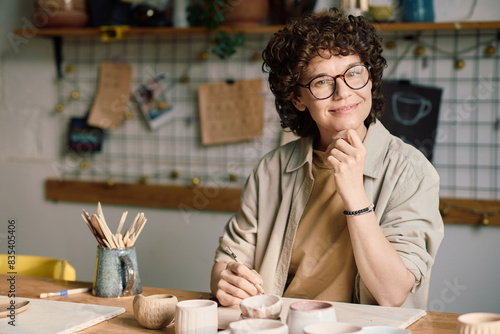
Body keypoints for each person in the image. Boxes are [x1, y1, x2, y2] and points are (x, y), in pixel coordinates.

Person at [210, 8, 444, 309]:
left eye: (354, 73)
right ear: (297, 98)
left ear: (370, 78)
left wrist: (354, 195)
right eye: (321, 81)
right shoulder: (271, 170)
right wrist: (223, 281)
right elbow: (227, 262)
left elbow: (393, 293)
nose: (343, 92)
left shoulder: (411, 172)